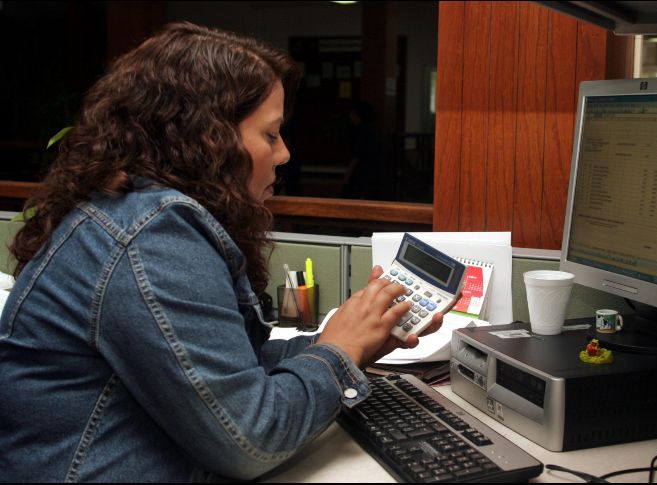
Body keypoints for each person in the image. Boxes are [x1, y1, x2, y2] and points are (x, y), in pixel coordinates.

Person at [0, 22, 443, 482]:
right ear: (205, 139)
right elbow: (251, 440)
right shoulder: (155, 233)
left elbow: (226, 373)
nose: (285, 153)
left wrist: (356, 339)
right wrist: (340, 352)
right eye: (271, 135)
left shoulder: (132, 210)